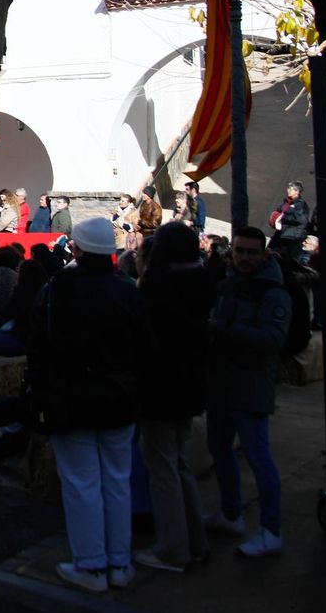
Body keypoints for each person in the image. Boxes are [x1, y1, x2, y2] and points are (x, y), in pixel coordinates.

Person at [25, 217, 153, 594]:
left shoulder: (57, 288)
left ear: (77, 249)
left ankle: (91, 564)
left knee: (81, 482)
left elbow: (39, 343)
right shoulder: (128, 289)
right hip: (118, 398)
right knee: (117, 481)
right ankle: (119, 561)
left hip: (72, 397)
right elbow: (145, 346)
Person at [134, 222, 216, 574]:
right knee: (179, 464)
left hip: (160, 386)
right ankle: (195, 541)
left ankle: (173, 549)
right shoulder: (202, 281)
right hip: (191, 383)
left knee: (163, 469)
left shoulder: (158, 286)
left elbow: (144, 334)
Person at [205, 226, 289, 557]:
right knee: (220, 449)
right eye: (240, 251)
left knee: (258, 456)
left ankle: (271, 529)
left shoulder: (273, 293)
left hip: (251, 384)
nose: (245, 258)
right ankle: (231, 513)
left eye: (252, 252)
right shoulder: (227, 285)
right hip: (222, 382)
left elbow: (272, 340)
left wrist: (226, 330)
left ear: (263, 255)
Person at [268, 181, 311, 266]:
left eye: (291, 189)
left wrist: (282, 218)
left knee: (287, 260)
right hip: (281, 233)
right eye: (288, 189)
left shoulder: (300, 205)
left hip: (292, 237)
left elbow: (301, 220)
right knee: (270, 252)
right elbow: (278, 212)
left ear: (297, 192)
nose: (288, 191)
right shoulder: (285, 203)